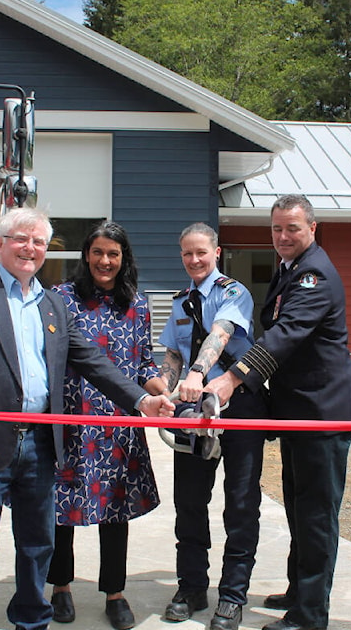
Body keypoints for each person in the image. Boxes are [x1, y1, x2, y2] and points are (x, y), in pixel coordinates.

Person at [0, 208, 174, 630]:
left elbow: (92, 361)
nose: (30, 249)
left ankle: (31, 620)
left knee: (38, 544)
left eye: (39, 242)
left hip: (43, 444)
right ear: (1, 243)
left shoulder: (51, 305)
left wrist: (140, 400)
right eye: (21, 240)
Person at [206, 195, 351, 630]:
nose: (282, 236)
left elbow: (285, 336)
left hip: (324, 413)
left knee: (316, 516)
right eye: (276, 228)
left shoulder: (314, 274)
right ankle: (301, 590)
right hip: (300, 412)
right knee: (301, 508)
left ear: (313, 229)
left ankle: (310, 616)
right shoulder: (291, 268)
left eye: (292, 228)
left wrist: (232, 379)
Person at [46, 221, 166, 630]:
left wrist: (157, 388)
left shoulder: (138, 303)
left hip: (119, 424)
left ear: (123, 258)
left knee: (115, 509)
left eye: (113, 254)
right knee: (63, 509)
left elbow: (144, 362)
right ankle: (60, 586)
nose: (105, 261)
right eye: (98, 252)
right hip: (71, 419)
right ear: (86, 255)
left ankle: (114, 593)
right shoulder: (60, 299)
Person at [157, 222, 268, 630]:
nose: (194, 260)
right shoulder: (181, 301)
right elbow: (172, 356)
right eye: (187, 253)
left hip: (239, 407)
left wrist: (198, 373)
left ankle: (233, 597)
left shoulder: (233, 292)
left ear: (216, 252)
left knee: (240, 505)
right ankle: (190, 587)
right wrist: (161, 392)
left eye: (201, 252)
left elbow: (218, 336)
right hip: (194, 411)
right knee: (189, 503)